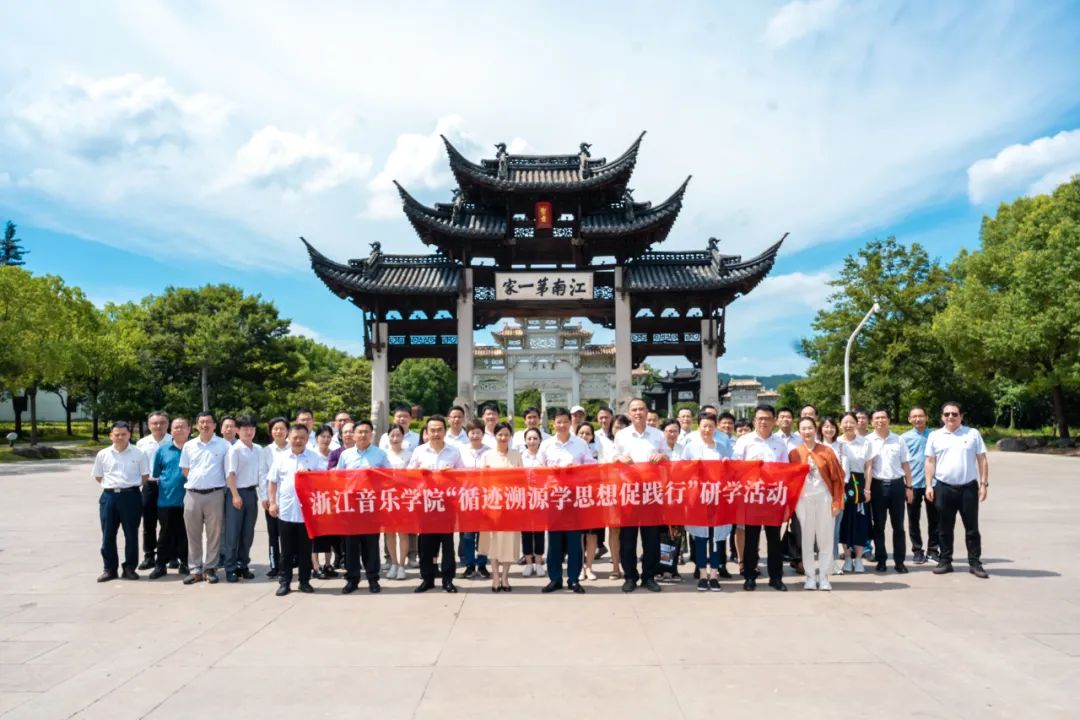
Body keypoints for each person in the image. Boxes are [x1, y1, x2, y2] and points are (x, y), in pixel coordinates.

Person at [925, 402, 990, 578]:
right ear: (942, 417)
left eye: (954, 414)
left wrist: (983, 484)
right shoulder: (935, 436)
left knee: (972, 528)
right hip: (944, 487)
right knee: (944, 528)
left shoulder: (972, 434)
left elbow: (982, 459)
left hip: (968, 488)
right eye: (947, 414)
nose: (950, 417)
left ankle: (975, 563)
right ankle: (945, 561)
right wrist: (929, 485)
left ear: (961, 416)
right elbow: (930, 461)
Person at [732, 404, 790, 591]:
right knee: (751, 538)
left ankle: (776, 577)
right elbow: (736, 466)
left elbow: (785, 470)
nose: (763, 422)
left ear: (774, 421)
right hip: (752, 496)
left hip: (773, 496)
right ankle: (749, 576)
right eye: (760, 418)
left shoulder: (780, 443)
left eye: (767, 418)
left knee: (774, 539)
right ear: (754, 420)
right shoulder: (744, 441)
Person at [614, 398, 670, 593]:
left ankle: (649, 576)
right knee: (627, 539)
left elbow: (669, 457)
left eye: (641, 409)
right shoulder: (621, 435)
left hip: (651, 493)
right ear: (629, 413)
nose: (638, 412)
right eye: (634, 410)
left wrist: (662, 456)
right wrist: (619, 458)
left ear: (647, 412)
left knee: (651, 539)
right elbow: (613, 458)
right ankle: (630, 576)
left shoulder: (657, 435)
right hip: (628, 492)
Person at [537, 408, 594, 594]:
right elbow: (538, 468)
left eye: (565, 422)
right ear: (553, 424)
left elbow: (591, 466)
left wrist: (577, 468)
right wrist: (549, 471)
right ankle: (555, 579)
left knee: (574, 541)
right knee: (554, 541)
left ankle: (574, 579)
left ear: (570, 422)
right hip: (553, 498)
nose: (562, 425)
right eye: (558, 422)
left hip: (574, 498)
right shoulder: (546, 444)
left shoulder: (580, 443)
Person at [409, 415, 465, 593]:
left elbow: (463, 477)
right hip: (426, 504)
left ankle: (448, 580)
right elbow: (408, 475)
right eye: (432, 430)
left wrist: (453, 473)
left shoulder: (454, 452)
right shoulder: (419, 451)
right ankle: (427, 579)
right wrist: (419, 472)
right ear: (426, 432)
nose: (436, 433)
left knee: (447, 545)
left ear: (445, 431)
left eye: (439, 430)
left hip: (447, 504)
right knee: (426, 545)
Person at [789, 417, 845, 591]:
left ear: (815, 430)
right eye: (803, 429)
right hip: (803, 500)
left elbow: (838, 479)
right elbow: (790, 479)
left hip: (824, 498)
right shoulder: (795, 453)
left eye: (810, 428)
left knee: (825, 537)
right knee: (806, 538)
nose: (807, 432)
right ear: (799, 431)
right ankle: (810, 576)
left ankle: (824, 576)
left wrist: (837, 502)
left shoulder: (827, 451)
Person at [268, 424, 323, 596]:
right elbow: (272, 482)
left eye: (302, 437)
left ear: (307, 439)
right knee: (286, 551)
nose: (298, 440)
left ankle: (304, 581)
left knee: (305, 551)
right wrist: (272, 503)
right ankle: (285, 582)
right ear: (289, 438)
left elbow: (323, 481)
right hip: (286, 511)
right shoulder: (281, 458)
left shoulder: (314, 458)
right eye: (295, 437)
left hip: (307, 514)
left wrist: (310, 474)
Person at [93, 421, 150, 582]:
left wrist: (127, 486)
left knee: (131, 534)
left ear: (129, 435)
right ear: (111, 436)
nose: (120, 437)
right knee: (108, 534)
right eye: (116, 434)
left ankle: (129, 568)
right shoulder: (103, 454)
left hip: (131, 496)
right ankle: (109, 569)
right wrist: (114, 486)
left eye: (123, 434)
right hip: (109, 497)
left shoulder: (139, 453)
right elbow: (98, 476)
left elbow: (145, 475)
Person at [336, 419, 388, 593]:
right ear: (353, 435)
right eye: (359, 432)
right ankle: (352, 579)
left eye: (366, 432)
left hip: (371, 505)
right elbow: (338, 478)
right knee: (351, 545)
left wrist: (377, 473)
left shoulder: (380, 454)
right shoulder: (346, 455)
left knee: (371, 545)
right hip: (351, 506)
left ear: (372, 435)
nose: (363, 435)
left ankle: (373, 579)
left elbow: (389, 477)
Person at [683, 413, 733, 591]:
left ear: (715, 428)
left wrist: (727, 464)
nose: (707, 429)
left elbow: (731, 471)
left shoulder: (722, 447)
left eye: (710, 426)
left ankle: (714, 574)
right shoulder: (691, 447)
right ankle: (703, 574)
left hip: (718, 499)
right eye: (704, 426)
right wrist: (692, 466)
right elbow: (682, 471)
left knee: (716, 538)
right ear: (699, 427)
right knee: (700, 538)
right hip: (698, 499)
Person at [179, 412, 230, 585]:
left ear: (215, 425)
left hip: (215, 494)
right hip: (192, 494)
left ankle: (210, 568)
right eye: (201, 422)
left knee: (214, 533)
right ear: (196, 425)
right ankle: (195, 569)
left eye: (208, 422)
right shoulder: (189, 445)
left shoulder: (223, 445)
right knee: (192, 533)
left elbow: (228, 470)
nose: (205, 425)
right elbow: (185, 469)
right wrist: (198, 481)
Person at [866, 407, 914, 573]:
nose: (880, 421)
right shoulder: (868, 441)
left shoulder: (898, 440)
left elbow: (905, 465)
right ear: (872, 422)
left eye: (883, 417)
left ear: (888, 420)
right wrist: (867, 490)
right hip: (877, 486)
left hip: (897, 486)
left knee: (898, 526)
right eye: (877, 418)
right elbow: (867, 467)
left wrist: (909, 486)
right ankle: (881, 560)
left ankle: (900, 561)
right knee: (878, 526)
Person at [479, 421, 523, 592]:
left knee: (509, 543)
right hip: (493, 506)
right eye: (500, 434)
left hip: (511, 505)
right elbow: (481, 482)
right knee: (493, 542)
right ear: (495, 436)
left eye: (506, 434)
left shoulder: (516, 455)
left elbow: (521, 480)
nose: (503, 438)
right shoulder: (487, 456)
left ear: (510, 436)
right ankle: (495, 577)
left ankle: (505, 577)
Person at [149, 417, 190, 579]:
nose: (179, 430)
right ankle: (160, 565)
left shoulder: (194, 448)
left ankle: (186, 563)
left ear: (189, 429)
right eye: (175, 427)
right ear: (170, 430)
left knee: (185, 533)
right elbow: (156, 473)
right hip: (167, 499)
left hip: (189, 500)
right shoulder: (162, 450)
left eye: (182, 426)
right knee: (165, 534)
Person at [223, 416, 261, 582]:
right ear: (237, 430)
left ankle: (243, 564)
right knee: (233, 533)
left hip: (252, 493)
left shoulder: (258, 449)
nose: (249, 431)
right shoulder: (234, 450)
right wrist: (235, 495)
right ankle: (230, 568)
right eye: (245, 428)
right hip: (237, 493)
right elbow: (230, 474)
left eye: (252, 428)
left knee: (248, 533)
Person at [901, 406, 937, 564]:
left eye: (921, 416)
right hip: (912, 483)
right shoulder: (904, 438)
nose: (918, 419)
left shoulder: (935, 435)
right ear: (909, 419)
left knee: (935, 519)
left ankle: (933, 550)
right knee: (913, 518)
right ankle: (917, 550)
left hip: (933, 483)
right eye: (914, 416)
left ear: (926, 417)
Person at [136, 411, 171, 571]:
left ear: (168, 424)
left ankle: (171, 555)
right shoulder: (142, 443)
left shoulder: (173, 440)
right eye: (154, 423)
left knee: (169, 521)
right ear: (149, 425)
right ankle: (149, 555)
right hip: (149, 485)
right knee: (148, 522)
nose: (158, 426)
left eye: (162, 423)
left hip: (168, 487)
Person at [837, 412, 871, 573]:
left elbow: (868, 467)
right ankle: (847, 557)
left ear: (857, 424)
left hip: (859, 484)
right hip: (841, 485)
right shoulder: (837, 443)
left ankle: (858, 558)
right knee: (844, 522)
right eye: (845, 422)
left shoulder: (864, 443)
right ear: (840, 424)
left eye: (852, 422)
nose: (848, 425)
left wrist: (868, 488)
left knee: (860, 522)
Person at [458, 419, 491, 579]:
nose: (475, 435)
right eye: (472, 432)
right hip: (467, 498)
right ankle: (470, 564)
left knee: (484, 534)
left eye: (478, 432)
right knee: (468, 535)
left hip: (486, 498)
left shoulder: (490, 452)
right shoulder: (460, 451)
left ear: (483, 434)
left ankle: (482, 564)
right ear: (467, 434)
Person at [384, 423, 417, 571]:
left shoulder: (410, 454)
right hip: (388, 498)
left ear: (403, 437)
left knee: (403, 533)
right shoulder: (383, 454)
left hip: (404, 498)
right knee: (389, 533)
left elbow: (414, 476)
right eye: (392, 435)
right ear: (388, 437)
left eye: (398, 435)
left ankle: (402, 564)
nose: (395, 438)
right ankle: (394, 563)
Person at [260, 417, 290, 578]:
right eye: (275, 429)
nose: (278, 431)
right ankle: (274, 564)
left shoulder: (293, 448)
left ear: (287, 431)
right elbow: (262, 474)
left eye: (282, 428)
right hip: (272, 499)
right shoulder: (266, 451)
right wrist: (264, 497)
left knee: (288, 534)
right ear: (270, 432)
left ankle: (288, 564)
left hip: (289, 499)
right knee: (273, 534)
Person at [603, 413, 631, 581]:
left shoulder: (632, 443)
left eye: (622, 427)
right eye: (616, 427)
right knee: (614, 530)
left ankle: (629, 567)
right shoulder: (605, 445)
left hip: (630, 491)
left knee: (630, 532)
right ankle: (615, 567)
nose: (619, 430)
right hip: (612, 491)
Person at [310, 424, 339, 578]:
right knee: (315, 534)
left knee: (329, 533)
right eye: (323, 436)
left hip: (330, 499)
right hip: (314, 499)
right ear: (317, 438)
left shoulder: (334, 454)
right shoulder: (311, 454)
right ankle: (315, 566)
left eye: (329, 437)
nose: (326, 439)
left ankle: (328, 564)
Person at [576, 422, 602, 580]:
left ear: (592, 436)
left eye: (587, 433)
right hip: (577, 496)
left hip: (594, 496)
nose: (584, 436)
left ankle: (589, 567)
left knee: (592, 535)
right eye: (581, 433)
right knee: (579, 535)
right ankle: (579, 567)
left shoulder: (600, 450)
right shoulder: (573, 448)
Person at [519, 427, 546, 578]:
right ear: (525, 440)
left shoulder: (544, 456)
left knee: (540, 532)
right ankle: (529, 563)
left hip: (541, 498)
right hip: (524, 499)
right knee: (526, 533)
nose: (532, 441)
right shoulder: (520, 457)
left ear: (540, 440)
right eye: (529, 438)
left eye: (535, 438)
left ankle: (539, 563)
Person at [820, 416, 845, 574]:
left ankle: (833, 562)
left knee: (834, 530)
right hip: (819, 493)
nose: (829, 429)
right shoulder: (816, 446)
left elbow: (845, 471)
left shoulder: (841, 446)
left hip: (837, 492)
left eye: (831, 426)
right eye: (826, 426)